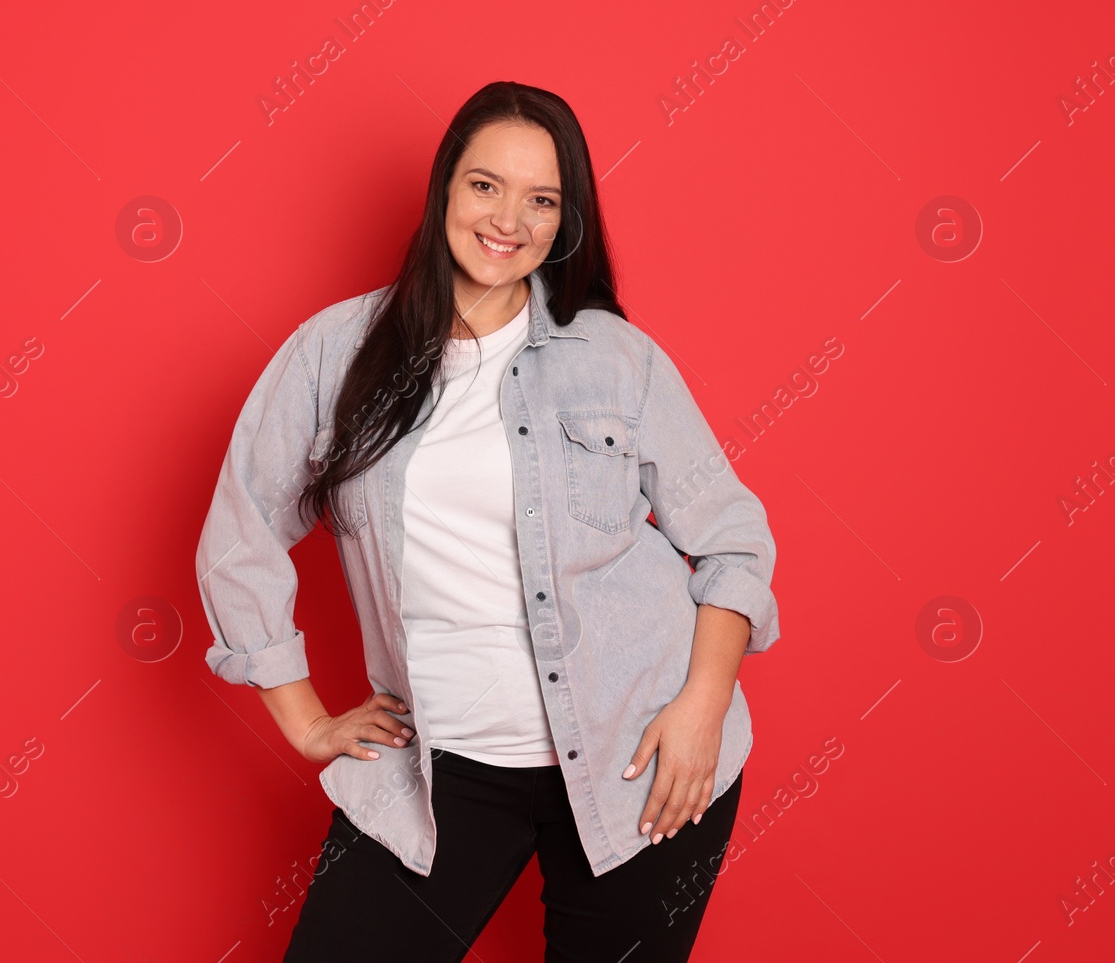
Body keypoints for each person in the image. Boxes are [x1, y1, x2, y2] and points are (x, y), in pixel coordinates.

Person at [194, 81, 778, 962]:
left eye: (542, 199)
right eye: (485, 185)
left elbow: (732, 539)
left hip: (638, 762)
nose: (509, 219)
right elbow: (238, 536)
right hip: (440, 772)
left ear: (565, 217)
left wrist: (701, 706)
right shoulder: (336, 353)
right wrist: (309, 720)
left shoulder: (615, 356)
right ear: (445, 191)